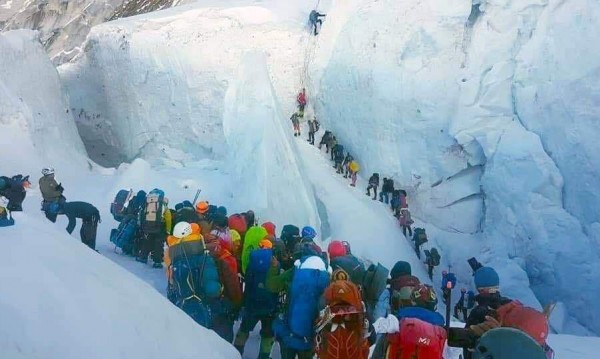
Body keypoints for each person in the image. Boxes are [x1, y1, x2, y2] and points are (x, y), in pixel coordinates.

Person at [269, 254, 330, 359]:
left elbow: (272, 285)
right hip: (309, 338)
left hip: (288, 334)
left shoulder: (295, 273)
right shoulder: (326, 280)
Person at [234, 240, 278, 359]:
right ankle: (263, 356)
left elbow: (248, 282)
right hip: (270, 304)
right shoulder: (274, 262)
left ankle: (235, 353)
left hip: (252, 303)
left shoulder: (252, 261)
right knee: (268, 334)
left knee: (244, 329)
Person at [137, 189, 171, 268]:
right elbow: (168, 217)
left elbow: (142, 214)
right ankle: (157, 262)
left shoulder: (147, 203)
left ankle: (143, 257)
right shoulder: (163, 204)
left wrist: (142, 226)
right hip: (160, 227)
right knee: (158, 244)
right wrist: (168, 230)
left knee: (147, 242)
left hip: (148, 226)